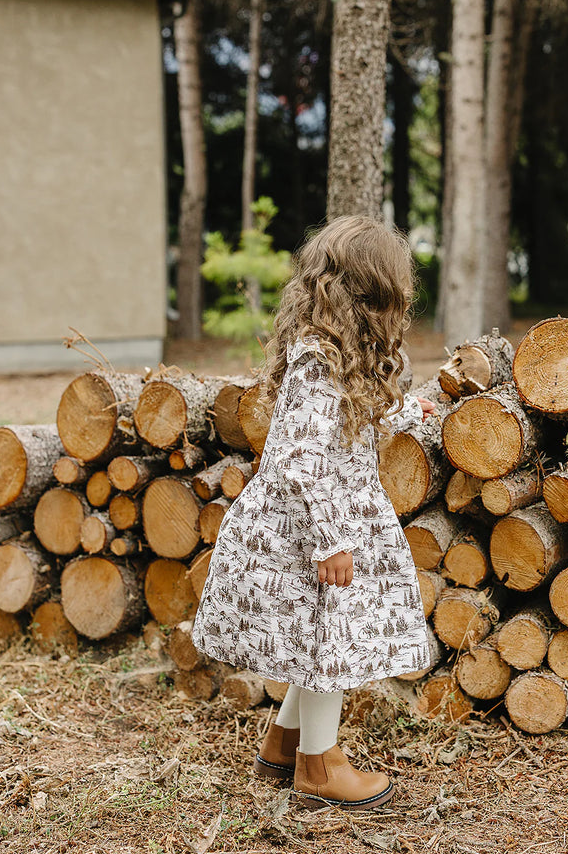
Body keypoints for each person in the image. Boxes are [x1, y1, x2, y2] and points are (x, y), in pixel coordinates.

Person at [192, 215, 436, 811]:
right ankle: (320, 767)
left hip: (327, 518)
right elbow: (304, 460)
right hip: (312, 529)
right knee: (332, 645)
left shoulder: (339, 359)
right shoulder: (317, 360)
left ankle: (284, 741)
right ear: (372, 296)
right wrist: (331, 540)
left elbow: (348, 428)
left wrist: (410, 415)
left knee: (318, 640)